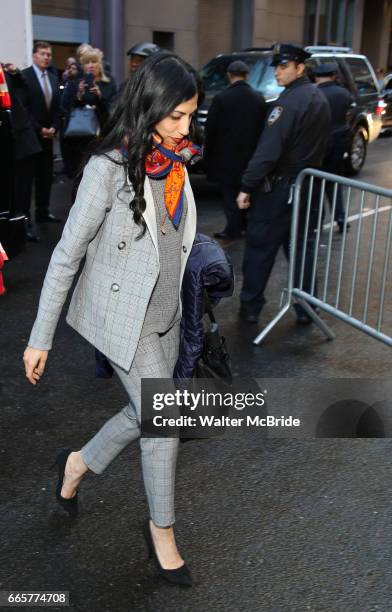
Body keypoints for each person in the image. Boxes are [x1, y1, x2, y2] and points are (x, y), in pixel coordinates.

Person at [23, 52, 202, 586]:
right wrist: (40, 338)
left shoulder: (176, 162)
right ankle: (162, 533)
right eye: (175, 117)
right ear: (149, 108)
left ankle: (76, 464)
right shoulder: (108, 170)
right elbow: (66, 254)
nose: (184, 128)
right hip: (128, 320)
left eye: (190, 116)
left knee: (142, 411)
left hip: (169, 312)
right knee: (163, 421)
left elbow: (178, 239)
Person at [236, 43, 331, 324]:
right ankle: (306, 309)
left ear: (300, 68)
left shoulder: (287, 103)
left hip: (280, 189)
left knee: (260, 249)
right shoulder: (318, 99)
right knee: (302, 248)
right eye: (276, 66)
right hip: (308, 187)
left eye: (284, 66)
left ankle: (250, 307)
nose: (277, 72)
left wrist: (246, 186)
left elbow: (268, 151)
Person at [205, 60, 267, 239]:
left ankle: (233, 228)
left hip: (226, 156)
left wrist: (208, 154)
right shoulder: (258, 97)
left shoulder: (222, 98)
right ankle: (245, 225)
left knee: (229, 195)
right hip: (251, 155)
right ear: (247, 75)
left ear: (229, 75)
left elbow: (211, 129)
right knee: (247, 192)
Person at [62, 47, 117, 189]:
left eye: (94, 62)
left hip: (101, 137)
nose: (91, 65)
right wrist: (79, 95)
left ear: (100, 64)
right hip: (79, 138)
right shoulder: (75, 82)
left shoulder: (108, 83)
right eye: (87, 62)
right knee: (79, 179)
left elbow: (113, 109)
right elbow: (65, 108)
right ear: (83, 65)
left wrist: (100, 97)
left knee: (101, 178)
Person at [21, 41, 62, 224]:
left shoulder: (53, 78)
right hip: (30, 138)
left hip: (48, 137)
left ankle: (43, 212)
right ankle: (25, 219)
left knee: (45, 177)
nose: (47, 57)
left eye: (49, 54)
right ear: (34, 55)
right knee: (27, 180)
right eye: (43, 54)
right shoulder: (24, 77)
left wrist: (54, 126)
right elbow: (23, 109)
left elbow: (56, 108)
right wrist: (39, 129)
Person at [3, 63, 43, 242]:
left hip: (21, 142)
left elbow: (24, 90)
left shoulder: (5, 74)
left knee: (23, 190)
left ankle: (23, 226)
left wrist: (16, 73)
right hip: (8, 143)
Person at [313, 62, 354, 233]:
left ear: (316, 76)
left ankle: (316, 221)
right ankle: (341, 219)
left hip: (318, 146)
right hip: (338, 145)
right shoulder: (344, 94)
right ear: (334, 75)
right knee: (333, 184)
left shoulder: (314, 94)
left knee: (315, 185)